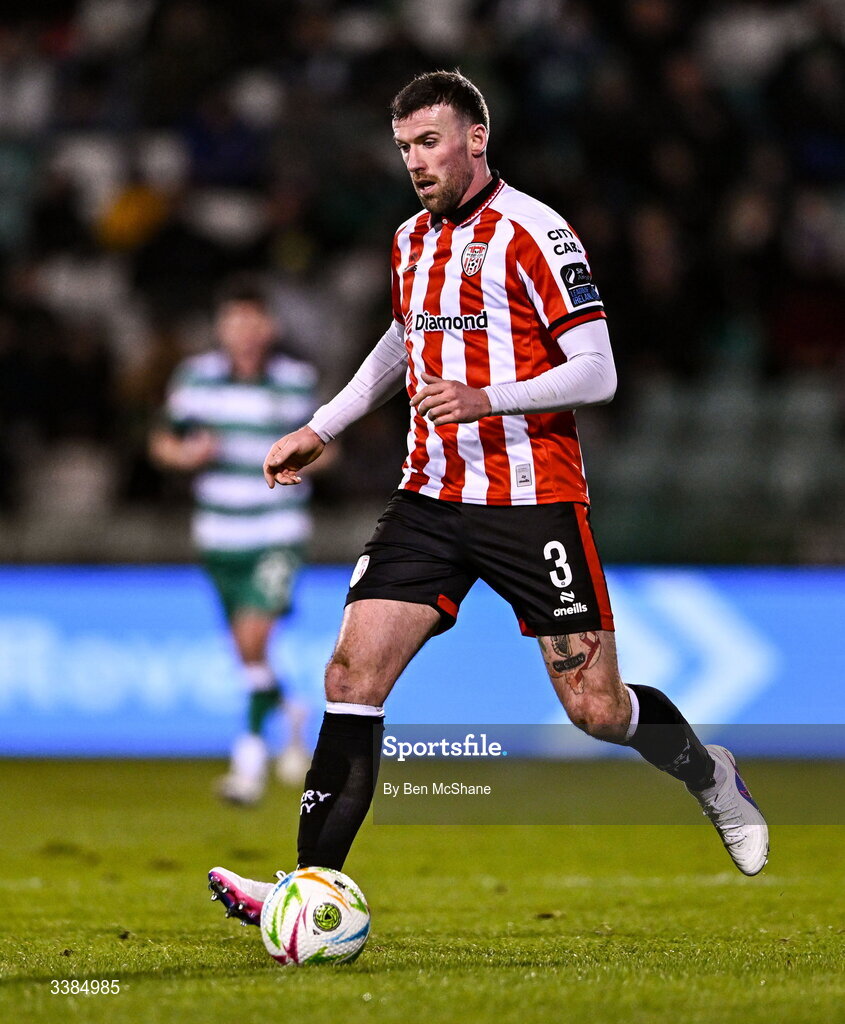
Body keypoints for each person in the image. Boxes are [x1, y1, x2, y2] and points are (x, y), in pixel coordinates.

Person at [208, 71, 768, 920]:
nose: (415, 163)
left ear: (477, 137)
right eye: (403, 149)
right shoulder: (408, 240)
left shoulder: (537, 232)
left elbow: (599, 370)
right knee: (350, 672)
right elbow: (404, 337)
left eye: (428, 143)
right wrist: (324, 424)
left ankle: (706, 772)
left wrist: (485, 398)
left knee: (595, 708)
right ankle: (305, 887)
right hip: (430, 496)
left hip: (532, 501)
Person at [151, 276, 315, 804]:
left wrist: (300, 459)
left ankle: (247, 763)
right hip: (219, 533)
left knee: (253, 641)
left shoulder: (295, 381)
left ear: (270, 327)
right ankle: (289, 709)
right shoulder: (195, 379)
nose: (243, 332)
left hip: (275, 532)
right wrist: (184, 457)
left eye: (253, 321)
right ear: (222, 328)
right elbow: (163, 442)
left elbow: (326, 445)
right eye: (234, 321)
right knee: (249, 656)